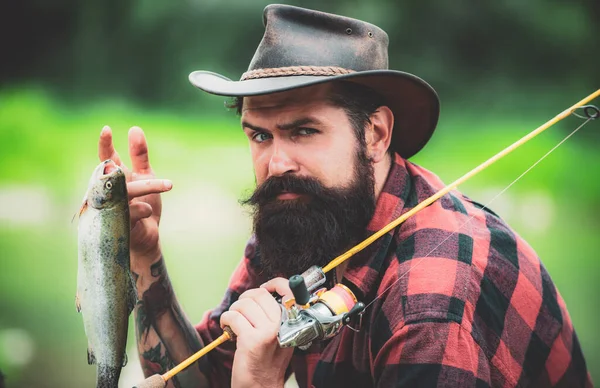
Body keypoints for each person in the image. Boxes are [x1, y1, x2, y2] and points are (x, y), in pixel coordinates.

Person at [97, 4, 592, 388]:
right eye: (260, 136)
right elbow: (201, 378)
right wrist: (142, 255)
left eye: (304, 131)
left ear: (375, 134)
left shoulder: (430, 304)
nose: (276, 164)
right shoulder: (303, 217)